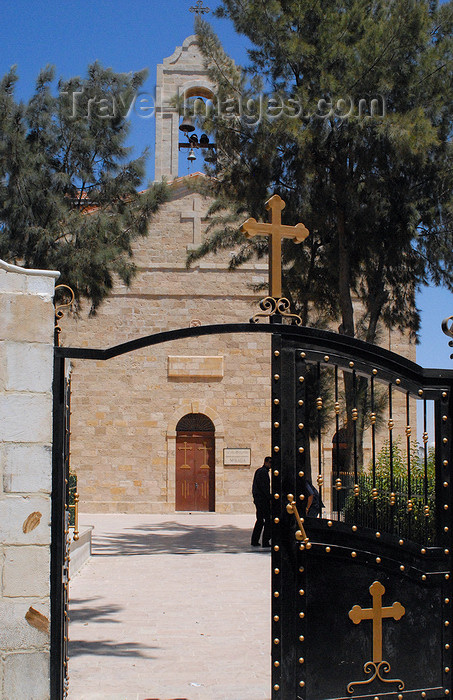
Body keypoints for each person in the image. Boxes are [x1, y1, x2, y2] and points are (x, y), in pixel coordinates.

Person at [251, 456, 272, 547]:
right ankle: (265, 541)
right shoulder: (263, 472)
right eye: (270, 462)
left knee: (260, 520)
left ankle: (255, 540)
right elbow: (264, 488)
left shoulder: (260, 471)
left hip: (259, 499)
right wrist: (269, 498)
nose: (271, 465)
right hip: (263, 500)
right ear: (266, 462)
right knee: (267, 520)